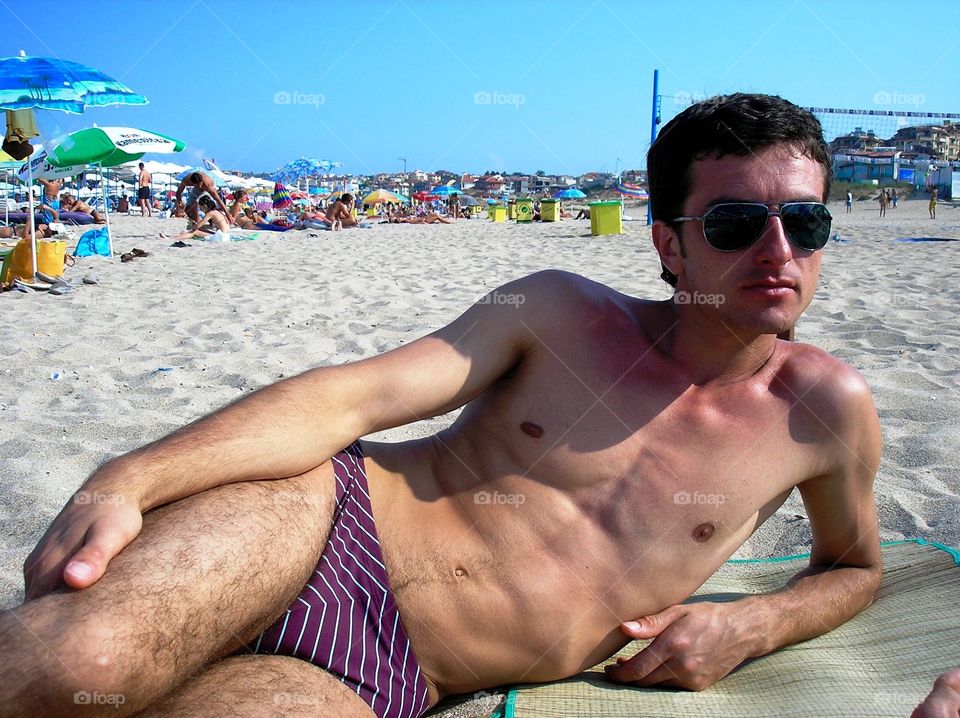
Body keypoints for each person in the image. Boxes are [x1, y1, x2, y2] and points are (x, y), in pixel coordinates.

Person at [2, 94, 884, 718]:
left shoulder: (825, 410)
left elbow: (855, 566)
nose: (778, 250)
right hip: (325, 519)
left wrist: (753, 623)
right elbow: (354, 396)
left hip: (389, 672)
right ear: (669, 243)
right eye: (734, 224)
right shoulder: (561, 311)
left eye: (805, 225)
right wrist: (129, 476)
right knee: (84, 663)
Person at [166, 195, 231, 241]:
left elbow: (198, 226)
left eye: (201, 207)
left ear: (205, 206)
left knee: (195, 232)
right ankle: (173, 236)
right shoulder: (217, 211)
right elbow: (209, 227)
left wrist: (192, 226)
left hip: (221, 237)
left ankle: (172, 239)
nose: (201, 210)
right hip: (226, 235)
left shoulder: (210, 213)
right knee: (195, 230)